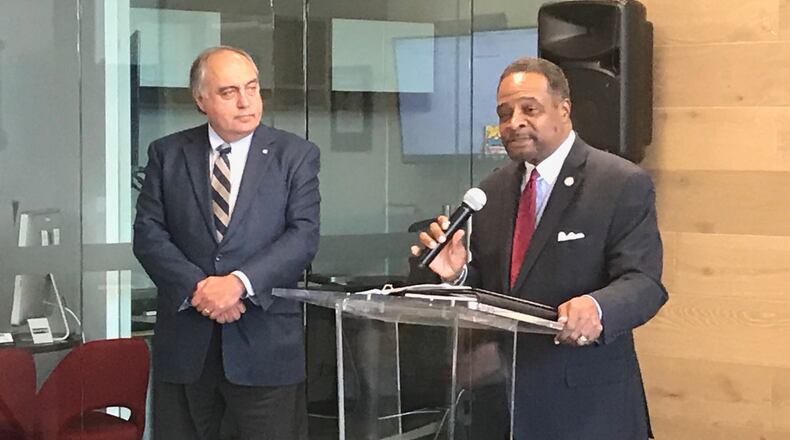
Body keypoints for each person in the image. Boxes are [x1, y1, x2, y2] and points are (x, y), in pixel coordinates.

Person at [412, 57, 667, 439]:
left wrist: (598, 308)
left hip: (586, 407)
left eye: (529, 109)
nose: (514, 122)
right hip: (503, 405)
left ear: (563, 110)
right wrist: (457, 274)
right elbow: (492, 289)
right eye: (504, 113)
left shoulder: (619, 183)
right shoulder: (492, 190)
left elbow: (644, 282)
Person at [133, 46, 320, 440]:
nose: (245, 101)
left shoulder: (295, 155)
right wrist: (200, 290)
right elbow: (149, 235)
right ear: (201, 100)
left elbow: (302, 236)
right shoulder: (168, 154)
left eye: (252, 88)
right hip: (186, 348)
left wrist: (236, 284)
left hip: (264, 347)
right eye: (228, 91)